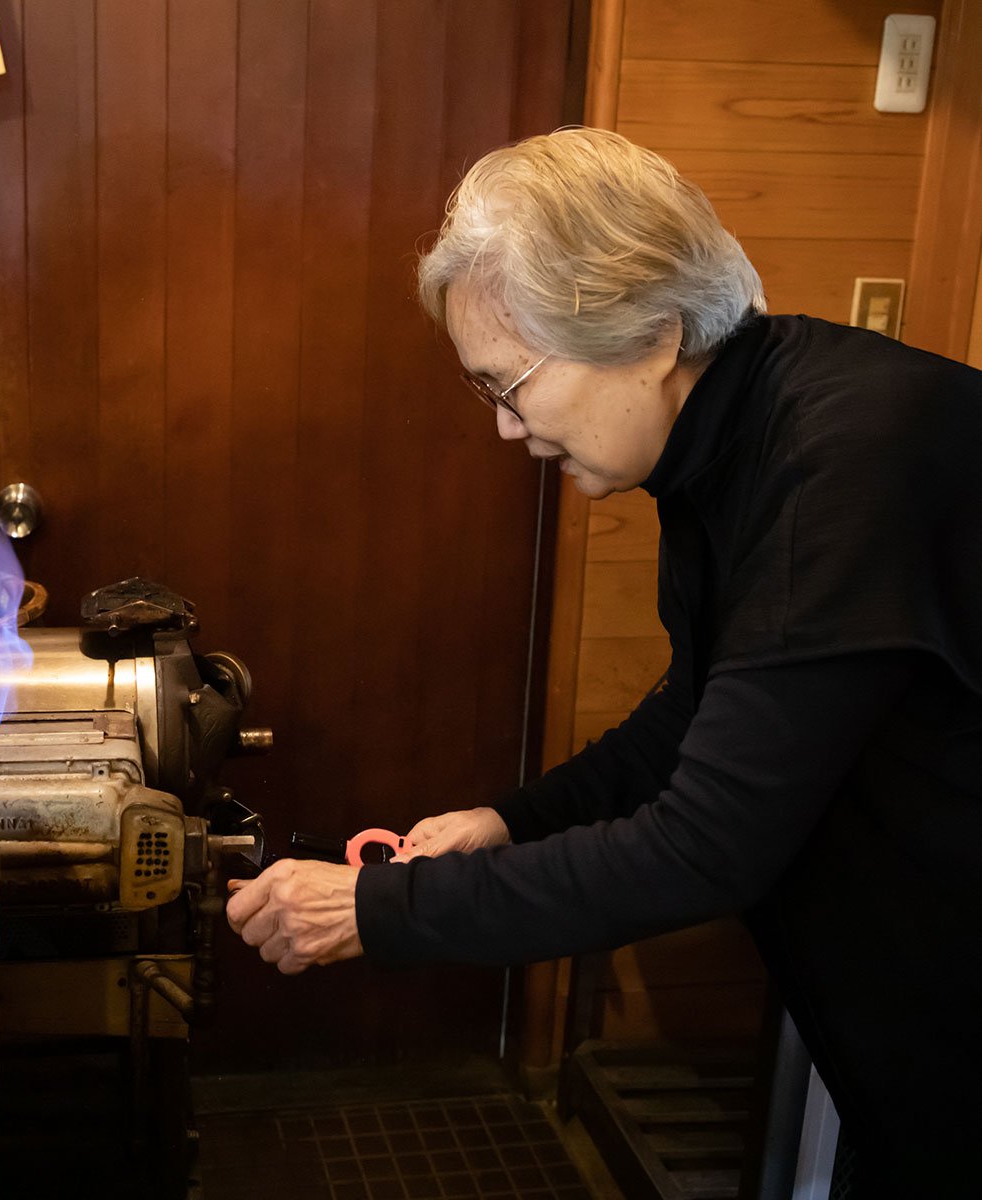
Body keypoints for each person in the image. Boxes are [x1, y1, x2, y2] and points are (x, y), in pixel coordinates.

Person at [225, 127, 982, 1194]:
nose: (506, 430)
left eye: (511, 385)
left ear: (653, 334)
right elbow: (698, 707)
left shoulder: (840, 463)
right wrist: (511, 821)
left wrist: (371, 911)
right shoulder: (726, 438)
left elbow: (703, 849)